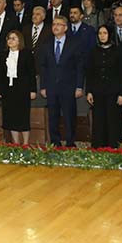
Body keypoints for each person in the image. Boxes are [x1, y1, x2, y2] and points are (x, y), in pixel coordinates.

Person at [40, 16, 85, 147]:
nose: (55, 27)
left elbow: (79, 66)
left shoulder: (75, 43)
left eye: (59, 24)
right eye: (54, 24)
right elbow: (43, 66)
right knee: (53, 116)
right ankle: (55, 142)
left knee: (69, 116)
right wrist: (43, 86)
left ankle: (70, 142)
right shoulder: (46, 43)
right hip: (51, 86)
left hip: (69, 86)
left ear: (65, 28)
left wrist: (79, 86)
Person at [86, 25, 122, 148]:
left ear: (110, 35)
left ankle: (114, 147)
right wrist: (89, 91)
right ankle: (99, 148)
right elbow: (90, 72)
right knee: (99, 120)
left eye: (105, 33)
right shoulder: (93, 51)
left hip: (113, 92)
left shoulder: (118, 51)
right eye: (100, 33)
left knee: (113, 120)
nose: (102, 36)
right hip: (98, 91)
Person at [0, 30, 36, 145]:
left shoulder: (26, 53)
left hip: (23, 88)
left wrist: (33, 90)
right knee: (11, 117)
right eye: (9, 38)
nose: (10, 40)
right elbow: (0, 74)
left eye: (13, 38)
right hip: (8, 89)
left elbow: (31, 73)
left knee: (22, 117)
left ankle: (25, 143)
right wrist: (0, 90)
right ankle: (16, 144)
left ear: (19, 40)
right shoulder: (3, 54)